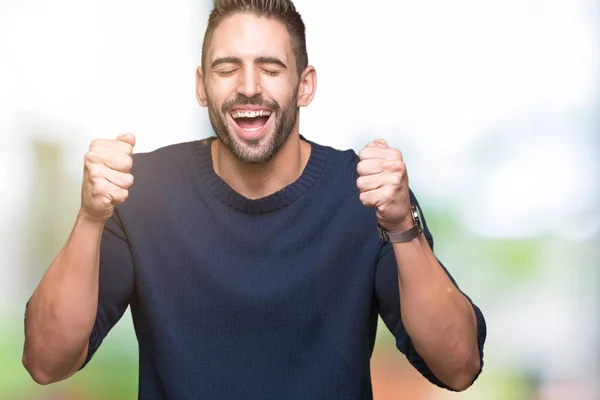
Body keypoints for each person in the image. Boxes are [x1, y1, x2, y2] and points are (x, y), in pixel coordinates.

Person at [22, 0, 487, 398]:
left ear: (305, 85)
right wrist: (89, 217)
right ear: (202, 86)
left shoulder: (366, 195)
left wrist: (402, 224)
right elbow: (46, 361)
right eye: (228, 68)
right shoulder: (142, 191)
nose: (248, 86)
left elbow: (459, 366)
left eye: (270, 67)